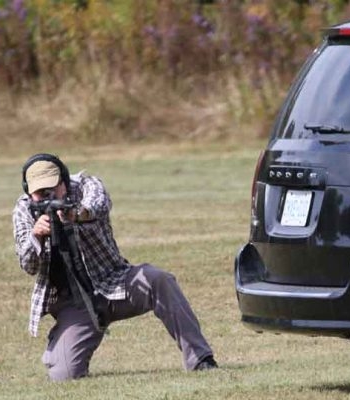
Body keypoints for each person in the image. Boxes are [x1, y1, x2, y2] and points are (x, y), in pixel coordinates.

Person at [12, 153, 218, 381]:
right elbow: (28, 265)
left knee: (159, 280)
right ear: (28, 191)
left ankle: (200, 360)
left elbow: (99, 203)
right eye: (40, 193)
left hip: (115, 282)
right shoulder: (23, 210)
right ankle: (65, 345)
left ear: (63, 181)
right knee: (64, 376)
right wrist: (37, 236)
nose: (48, 196)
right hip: (76, 303)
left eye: (53, 188)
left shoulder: (86, 186)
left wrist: (76, 214)